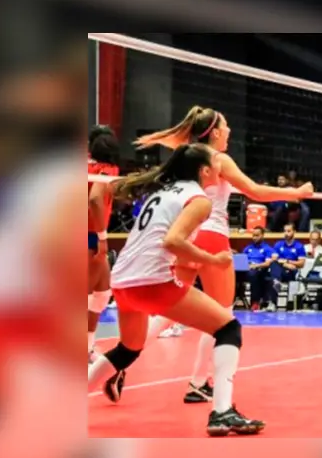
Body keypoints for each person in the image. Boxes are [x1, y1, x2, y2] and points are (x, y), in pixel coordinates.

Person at [131, 106, 312, 404]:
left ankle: (119, 361)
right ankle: (200, 383)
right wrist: (297, 192)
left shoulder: (189, 157)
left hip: (188, 235)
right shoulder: (218, 159)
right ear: (215, 132)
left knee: (167, 312)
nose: (229, 131)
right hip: (212, 237)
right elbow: (254, 191)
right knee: (222, 315)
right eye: (226, 126)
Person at [87, 144, 265, 436]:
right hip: (150, 281)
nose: (220, 168)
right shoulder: (199, 200)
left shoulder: (162, 193)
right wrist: (213, 259)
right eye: (215, 165)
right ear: (205, 171)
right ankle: (222, 412)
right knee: (228, 327)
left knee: (128, 349)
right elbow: (172, 241)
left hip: (123, 281)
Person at [88, 126, 121, 363]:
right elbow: (95, 199)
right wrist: (102, 238)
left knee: (102, 293)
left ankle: (87, 347)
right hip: (89, 236)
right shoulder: (107, 170)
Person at [243, 226, 276, 311]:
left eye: (257, 235)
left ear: (262, 235)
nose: (254, 237)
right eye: (253, 235)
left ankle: (255, 302)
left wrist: (256, 266)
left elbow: (267, 263)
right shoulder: (248, 248)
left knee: (253, 274)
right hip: (245, 269)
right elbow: (241, 258)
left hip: (259, 270)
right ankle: (233, 300)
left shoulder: (267, 248)